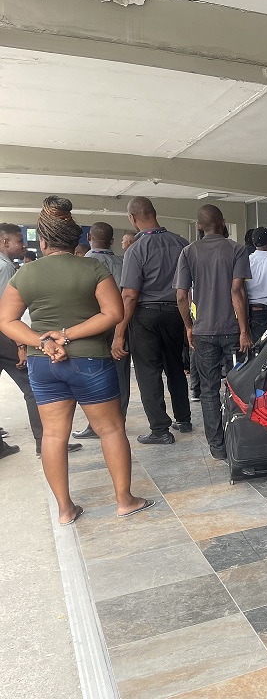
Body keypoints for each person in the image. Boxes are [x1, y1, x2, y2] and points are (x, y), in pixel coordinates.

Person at [0, 197, 152, 524]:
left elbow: (7, 321)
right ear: (76, 239)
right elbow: (114, 313)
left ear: (42, 241)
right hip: (91, 362)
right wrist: (67, 335)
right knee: (111, 430)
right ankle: (125, 500)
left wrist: (44, 339)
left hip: (45, 364)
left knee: (54, 435)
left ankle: (65, 510)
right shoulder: (93, 268)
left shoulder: (23, 274)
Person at [175, 205, 252, 461]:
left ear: (199, 226)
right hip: (232, 331)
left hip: (203, 332)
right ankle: (239, 440)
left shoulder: (188, 252)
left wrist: (189, 326)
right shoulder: (237, 249)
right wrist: (244, 330)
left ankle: (217, 448)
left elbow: (181, 295)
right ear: (223, 222)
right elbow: (237, 291)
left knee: (208, 390)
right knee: (238, 387)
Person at [115, 197, 191, 445]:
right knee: (175, 367)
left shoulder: (136, 249)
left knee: (148, 372)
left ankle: (160, 429)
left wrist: (119, 332)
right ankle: (184, 418)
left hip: (145, 315)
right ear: (155, 213)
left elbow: (129, 294)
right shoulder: (181, 243)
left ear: (133, 218)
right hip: (176, 314)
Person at [73, 222, 130, 439]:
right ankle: (119, 420)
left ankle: (95, 424)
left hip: (93, 325)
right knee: (120, 374)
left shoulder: (82, 264)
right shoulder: (124, 262)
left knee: (93, 374)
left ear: (89, 238)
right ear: (112, 241)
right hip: (121, 325)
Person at [0, 223, 49, 457]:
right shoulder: (6, 268)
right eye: (19, 240)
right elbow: (7, 315)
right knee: (32, 387)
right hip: (4, 338)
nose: (24, 245)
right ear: (5, 242)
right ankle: (45, 443)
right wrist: (21, 345)